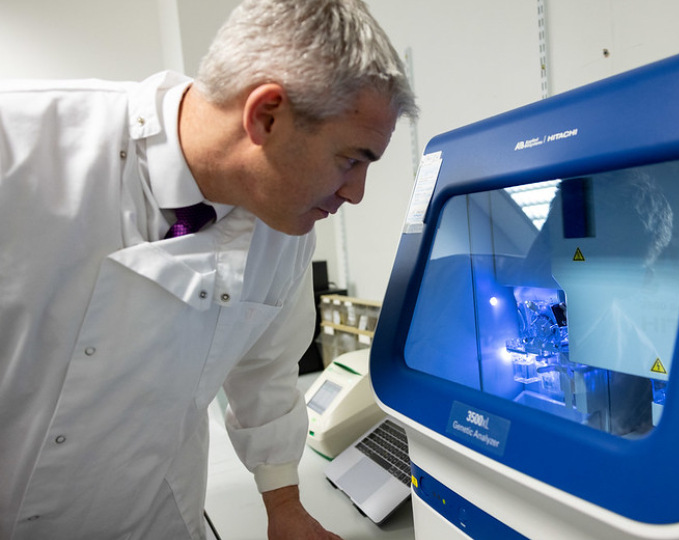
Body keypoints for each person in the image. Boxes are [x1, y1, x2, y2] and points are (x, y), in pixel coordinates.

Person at [0, 0, 417, 538]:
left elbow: (266, 370)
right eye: (350, 160)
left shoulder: (282, 219)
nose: (355, 193)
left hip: (150, 518)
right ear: (265, 116)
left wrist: (284, 508)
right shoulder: (19, 149)